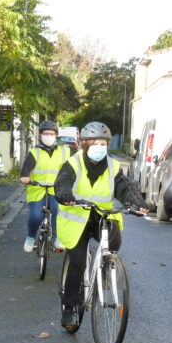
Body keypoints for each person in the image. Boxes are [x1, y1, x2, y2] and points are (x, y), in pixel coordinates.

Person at [54, 121, 148, 330]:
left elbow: (124, 188)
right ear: (85, 145)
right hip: (76, 220)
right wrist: (65, 195)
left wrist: (137, 203)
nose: (100, 147)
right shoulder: (73, 163)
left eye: (103, 143)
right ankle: (69, 309)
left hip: (102, 217)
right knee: (78, 263)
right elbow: (63, 182)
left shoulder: (113, 166)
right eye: (95, 143)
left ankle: (105, 265)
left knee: (114, 240)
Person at [19, 120, 70, 253]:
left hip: (56, 189)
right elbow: (25, 169)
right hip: (37, 189)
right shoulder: (35, 152)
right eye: (45, 133)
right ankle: (30, 237)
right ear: (40, 135)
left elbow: (70, 169)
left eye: (51, 133)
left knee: (58, 211)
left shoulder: (64, 151)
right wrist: (25, 177)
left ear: (56, 135)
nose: (48, 136)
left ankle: (58, 238)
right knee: (35, 215)